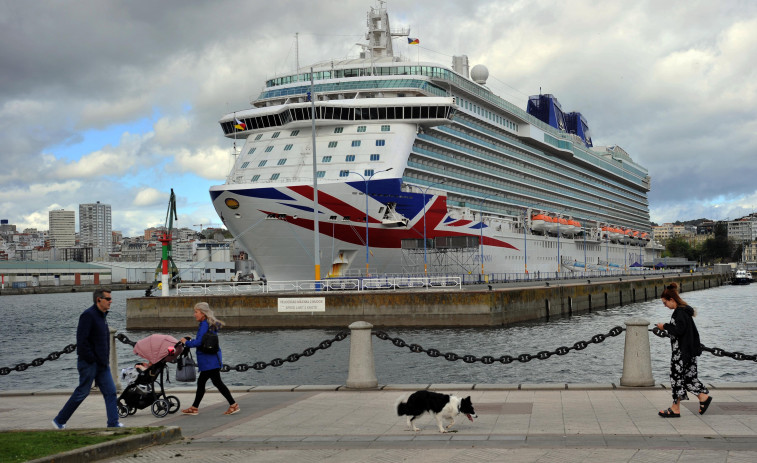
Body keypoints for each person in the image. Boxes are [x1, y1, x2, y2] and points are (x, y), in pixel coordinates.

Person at [53, 288, 122, 429]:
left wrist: (103, 360)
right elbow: (82, 341)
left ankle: (113, 424)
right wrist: (92, 359)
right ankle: (59, 420)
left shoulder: (102, 316)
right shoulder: (88, 315)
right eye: (108, 299)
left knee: (111, 392)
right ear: (99, 300)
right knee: (82, 393)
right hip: (89, 364)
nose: (111, 301)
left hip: (102, 365)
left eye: (110, 298)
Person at [656, 283, 712, 418]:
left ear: (671, 300)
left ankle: (676, 408)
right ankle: (702, 397)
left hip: (681, 353)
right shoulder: (685, 311)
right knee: (688, 378)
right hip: (689, 352)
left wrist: (665, 326)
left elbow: (679, 330)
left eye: (665, 303)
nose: (665, 306)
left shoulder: (679, 313)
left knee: (677, 379)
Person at [180, 302, 239, 415]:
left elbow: (199, 342)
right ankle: (195, 407)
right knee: (208, 383)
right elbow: (204, 340)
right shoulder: (209, 324)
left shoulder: (204, 325)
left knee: (212, 383)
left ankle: (233, 405)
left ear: (203, 313)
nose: (194, 314)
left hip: (209, 361)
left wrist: (186, 342)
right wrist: (192, 340)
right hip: (212, 359)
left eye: (196, 312)